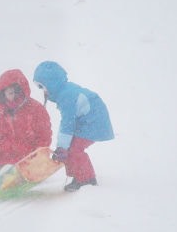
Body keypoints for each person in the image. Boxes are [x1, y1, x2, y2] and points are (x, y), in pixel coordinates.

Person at [31, 61, 114, 191]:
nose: (43, 91)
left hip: (94, 121)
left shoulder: (66, 96)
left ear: (52, 83)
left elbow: (67, 124)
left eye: (43, 86)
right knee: (69, 149)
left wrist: (62, 148)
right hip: (87, 119)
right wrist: (62, 148)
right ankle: (79, 176)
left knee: (74, 149)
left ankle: (87, 180)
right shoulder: (64, 91)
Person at [0, 68, 52, 181]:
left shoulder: (36, 110)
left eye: (13, 92)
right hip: (5, 159)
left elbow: (44, 137)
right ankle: (1, 175)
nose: (11, 96)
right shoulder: (2, 113)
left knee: (21, 172)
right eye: (8, 93)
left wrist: (39, 159)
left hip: (28, 159)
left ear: (20, 91)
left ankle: (21, 175)